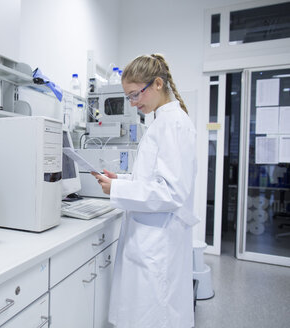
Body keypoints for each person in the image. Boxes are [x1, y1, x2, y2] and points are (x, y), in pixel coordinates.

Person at [92, 53, 198, 328]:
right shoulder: (161, 122)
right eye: (128, 97)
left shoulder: (173, 124)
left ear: (158, 84)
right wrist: (123, 181)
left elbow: (171, 192)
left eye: (135, 94)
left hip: (158, 244)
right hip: (150, 238)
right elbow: (152, 178)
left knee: (154, 316)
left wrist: (117, 188)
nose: (133, 102)